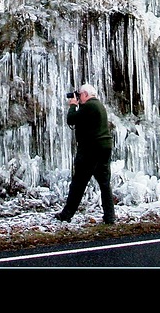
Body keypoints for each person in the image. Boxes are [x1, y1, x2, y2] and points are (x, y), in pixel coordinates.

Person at [54, 83, 116, 224]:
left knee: (78, 182)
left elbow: (71, 119)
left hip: (91, 149)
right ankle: (110, 216)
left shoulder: (89, 106)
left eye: (80, 95)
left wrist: (72, 105)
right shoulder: (98, 105)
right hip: (104, 146)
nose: (79, 97)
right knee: (104, 182)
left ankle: (67, 214)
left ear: (86, 95)